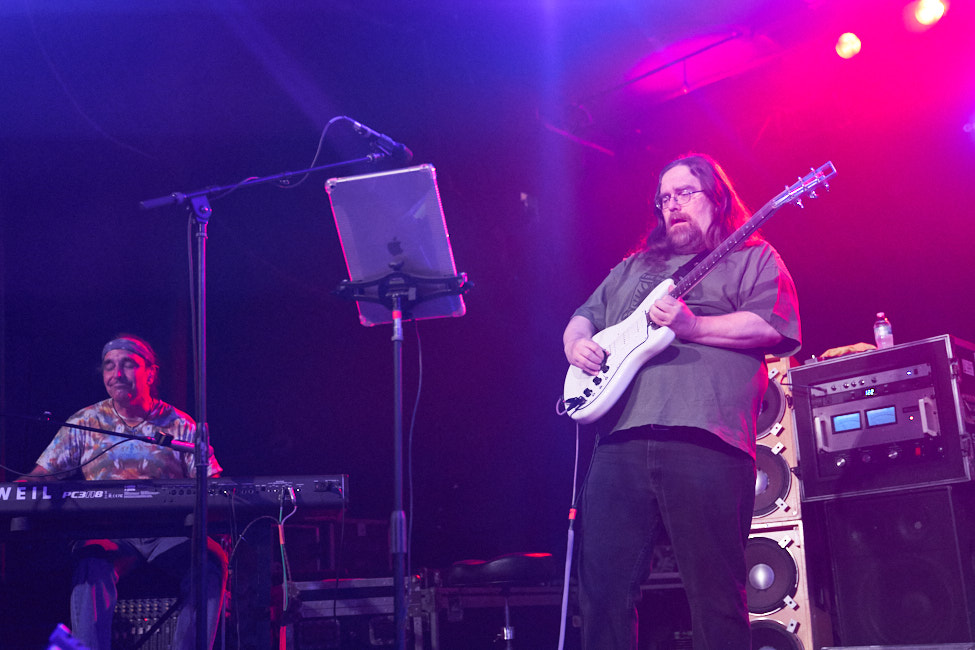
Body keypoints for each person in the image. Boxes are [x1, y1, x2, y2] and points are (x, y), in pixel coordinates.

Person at [563, 154, 801, 649]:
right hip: (620, 441)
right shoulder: (633, 268)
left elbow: (769, 324)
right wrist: (575, 343)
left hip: (706, 438)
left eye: (685, 194)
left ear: (717, 198)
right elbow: (584, 315)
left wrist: (693, 326)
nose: (673, 206)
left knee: (716, 596)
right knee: (602, 594)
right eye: (664, 198)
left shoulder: (753, 256)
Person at [24, 334, 227, 650]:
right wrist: (17, 489)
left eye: (128, 364)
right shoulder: (85, 422)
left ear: (150, 373)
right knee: (91, 561)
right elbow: (41, 476)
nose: (117, 374)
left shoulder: (180, 424)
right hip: (111, 534)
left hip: (168, 535)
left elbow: (214, 486)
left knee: (210, 561)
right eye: (109, 366)